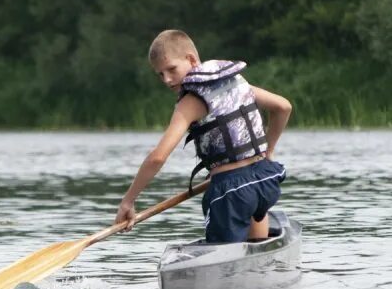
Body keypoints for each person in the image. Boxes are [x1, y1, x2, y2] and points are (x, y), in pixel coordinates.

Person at [114, 29, 292, 243]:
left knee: (223, 254)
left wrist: (128, 201)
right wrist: (268, 151)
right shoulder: (236, 81)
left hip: (231, 191)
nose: (167, 80)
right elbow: (283, 106)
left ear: (190, 59)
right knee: (256, 233)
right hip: (264, 179)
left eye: (171, 69)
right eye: (160, 74)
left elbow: (158, 157)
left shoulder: (190, 101)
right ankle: (260, 263)